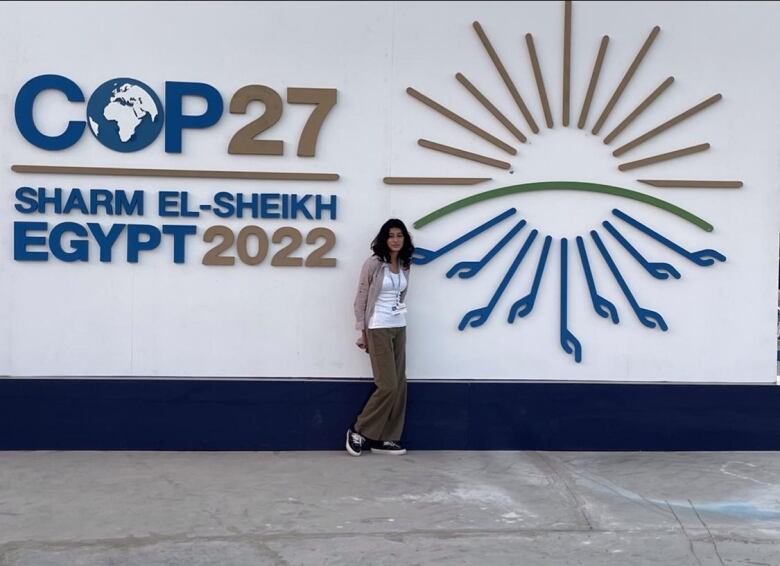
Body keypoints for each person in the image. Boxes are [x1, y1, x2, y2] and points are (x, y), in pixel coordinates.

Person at [347, 219, 414, 456]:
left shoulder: (405, 263)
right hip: (377, 326)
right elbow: (362, 296)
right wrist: (361, 330)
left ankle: (386, 437)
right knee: (387, 384)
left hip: (399, 325)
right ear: (384, 239)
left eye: (400, 235)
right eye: (391, 235)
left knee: (399, 384)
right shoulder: (374, 264)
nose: (395, 239)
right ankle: (359, 430)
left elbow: (401, 294)